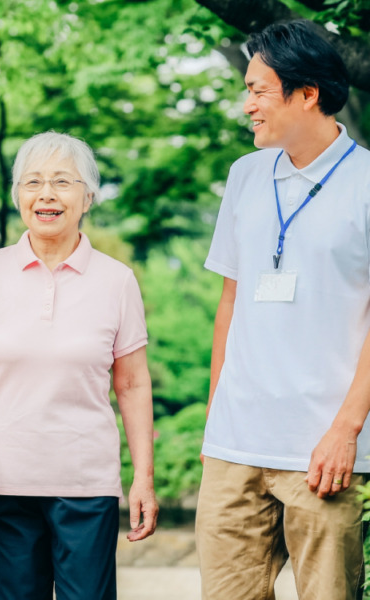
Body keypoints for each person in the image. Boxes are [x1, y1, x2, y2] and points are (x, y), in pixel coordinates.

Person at [0, 131, 158, 600]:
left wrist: (144, 477)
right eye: (32, 182)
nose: (46, 195)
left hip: (85, 481)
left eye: (62, 181)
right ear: (18, 194)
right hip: (0, 480)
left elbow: (134, 384)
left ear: (88, 196)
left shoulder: (117, 281)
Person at [196, 19, 370, 600]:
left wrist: (346, 430)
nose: (247, 105)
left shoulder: (366, 182)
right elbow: (231, 301)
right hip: (233, 448)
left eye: (258, 90)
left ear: (307, 94)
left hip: (322, 452)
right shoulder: (244, 176)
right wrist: (216, 415)